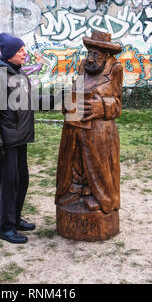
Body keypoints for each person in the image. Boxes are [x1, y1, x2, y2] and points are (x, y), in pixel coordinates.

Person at [0, 33, 40, 244]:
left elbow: (27, 101)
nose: (25, 53)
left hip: (20, 138)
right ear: (9, 53)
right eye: (20, 49)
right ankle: (5, 228)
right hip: (7, 141)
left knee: (22, 181)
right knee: (10, 184)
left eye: (24, 48)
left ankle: (14, 219)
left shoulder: (18, 74)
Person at [55, 30, 123, 214]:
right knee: (73, 158)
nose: (90, 59)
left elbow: (118, 103)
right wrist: (67, 102)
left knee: (97, 161)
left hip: (99, 127)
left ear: (106, 56)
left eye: (96, 54)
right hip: (75, 122)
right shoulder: (83, 65)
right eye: (89, 53)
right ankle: (75, 189)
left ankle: (99, 196)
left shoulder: (115, 69)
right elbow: (75, 89)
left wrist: (102, 105)